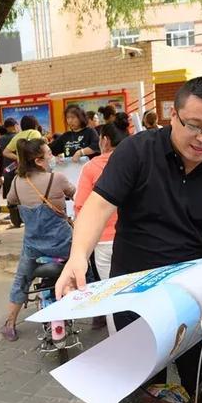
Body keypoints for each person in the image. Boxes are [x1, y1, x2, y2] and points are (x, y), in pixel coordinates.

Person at [55, 77, 202, 401]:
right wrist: (77, 257)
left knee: (201, 382)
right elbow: (99, 206)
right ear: (173, 116)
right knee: (140, 386)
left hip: (192, 297)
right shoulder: (137, 151)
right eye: (194, 125)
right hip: (135, 294)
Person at [0, 138, 75, 341]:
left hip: (34, 247)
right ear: (39, 161)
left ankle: (10, 323)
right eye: (49, 153)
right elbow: (75, 194)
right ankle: (98, 316)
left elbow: (11, 201)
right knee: (87, 268)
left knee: (21, 281)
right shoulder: (57, 178)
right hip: (63, 245)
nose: (52, 157)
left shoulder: (16, 181)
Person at [74, 122, 127, 332]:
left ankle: (118, 344)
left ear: (104, 140)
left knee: (111, 293)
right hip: (135, 238)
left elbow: (81, 206)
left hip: (104, 239)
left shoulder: (92, 167)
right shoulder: (136, 162)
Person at [0, 118, 18, 199]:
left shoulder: (1, 139)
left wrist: (0, 173)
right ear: (12, 127)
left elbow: (1, 156)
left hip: (7, 169)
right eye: (16, 125)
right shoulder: (17, 137)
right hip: (17, 166)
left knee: (10, 194)